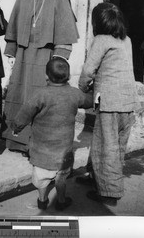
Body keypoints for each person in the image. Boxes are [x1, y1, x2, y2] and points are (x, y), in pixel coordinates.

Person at [1, 0, 79, 156]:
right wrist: (11, 51)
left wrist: (59, 57)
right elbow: (14, 25)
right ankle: (17, 142)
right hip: (23, 56)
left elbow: (65, 31)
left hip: (46, 56)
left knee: (41, 98)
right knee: (20, 94)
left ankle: (36, 143)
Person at [11, 56, 93, 210]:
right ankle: (61, 201)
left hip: (41, 150)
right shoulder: (74, 93)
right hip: (63, 151)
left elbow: (24, 114)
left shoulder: (40, 94)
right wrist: (92, 90)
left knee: (41, 178)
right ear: (68, 77)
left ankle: (42, 200)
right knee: (61, 178)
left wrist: (16, 127)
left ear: (46, 76)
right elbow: (88, 101)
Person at [78, 2, 138, 206]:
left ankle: (109, 192)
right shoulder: (126, 40)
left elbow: (88, 71)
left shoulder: (101, 40)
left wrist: (83, 88)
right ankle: (97, 176)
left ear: (97, 22)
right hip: (128, 102)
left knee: (107, 146)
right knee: (114, 144)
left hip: (110, 102)